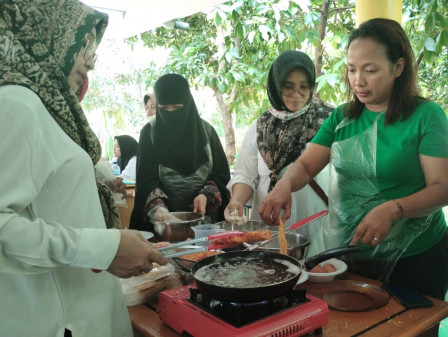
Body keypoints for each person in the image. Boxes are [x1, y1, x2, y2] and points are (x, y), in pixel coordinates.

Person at [0, 1, 167, 336]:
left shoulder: (48, 107)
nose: (91, 58)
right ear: (47, 34)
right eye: (84, 43)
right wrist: (105, 248)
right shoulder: (18, 103)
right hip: (57, 320)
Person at [259, 18, 448, 301]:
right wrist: (285, 184)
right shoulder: (342, 117)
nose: (358, 80)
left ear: (397, 67)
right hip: (352, 252)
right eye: (351, 69)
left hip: (415, 257)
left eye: (370, 70)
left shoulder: (426, 117)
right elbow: (306, 165)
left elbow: (442, 186)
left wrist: (394, 209)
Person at [224, 50, 333, 227]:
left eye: (303, 86)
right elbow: (246, 175)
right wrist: (237, 201)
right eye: (288, 87)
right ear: (275, 85)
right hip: (268, 223)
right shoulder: (261, 126)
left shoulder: (329, 121)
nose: (297, 94)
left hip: (316, 221)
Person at [130, 73, 231, 231]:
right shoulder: (149, 133)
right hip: (162, 227)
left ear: (188, 103)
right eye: (164, 109)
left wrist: (206, 194)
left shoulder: (206, 132)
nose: (171, 114)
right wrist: (160, 212)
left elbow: (221, 173)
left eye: (177, 108)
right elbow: (146, 180)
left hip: (205, 224)